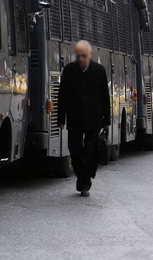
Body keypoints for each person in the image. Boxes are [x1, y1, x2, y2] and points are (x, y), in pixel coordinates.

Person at [57, 40, 111, 197]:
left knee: (90, 152)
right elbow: (63, 96)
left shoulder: (99, 71)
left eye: (84, 56)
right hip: (75, 118)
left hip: (94, 119)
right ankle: (82, 175)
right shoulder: (68, 71)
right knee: (74, 150)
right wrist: (61, 118)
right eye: (78, 56)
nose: (81, 58)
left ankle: (84, 182)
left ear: (90, 56)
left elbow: (104, 97)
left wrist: (106, 120)